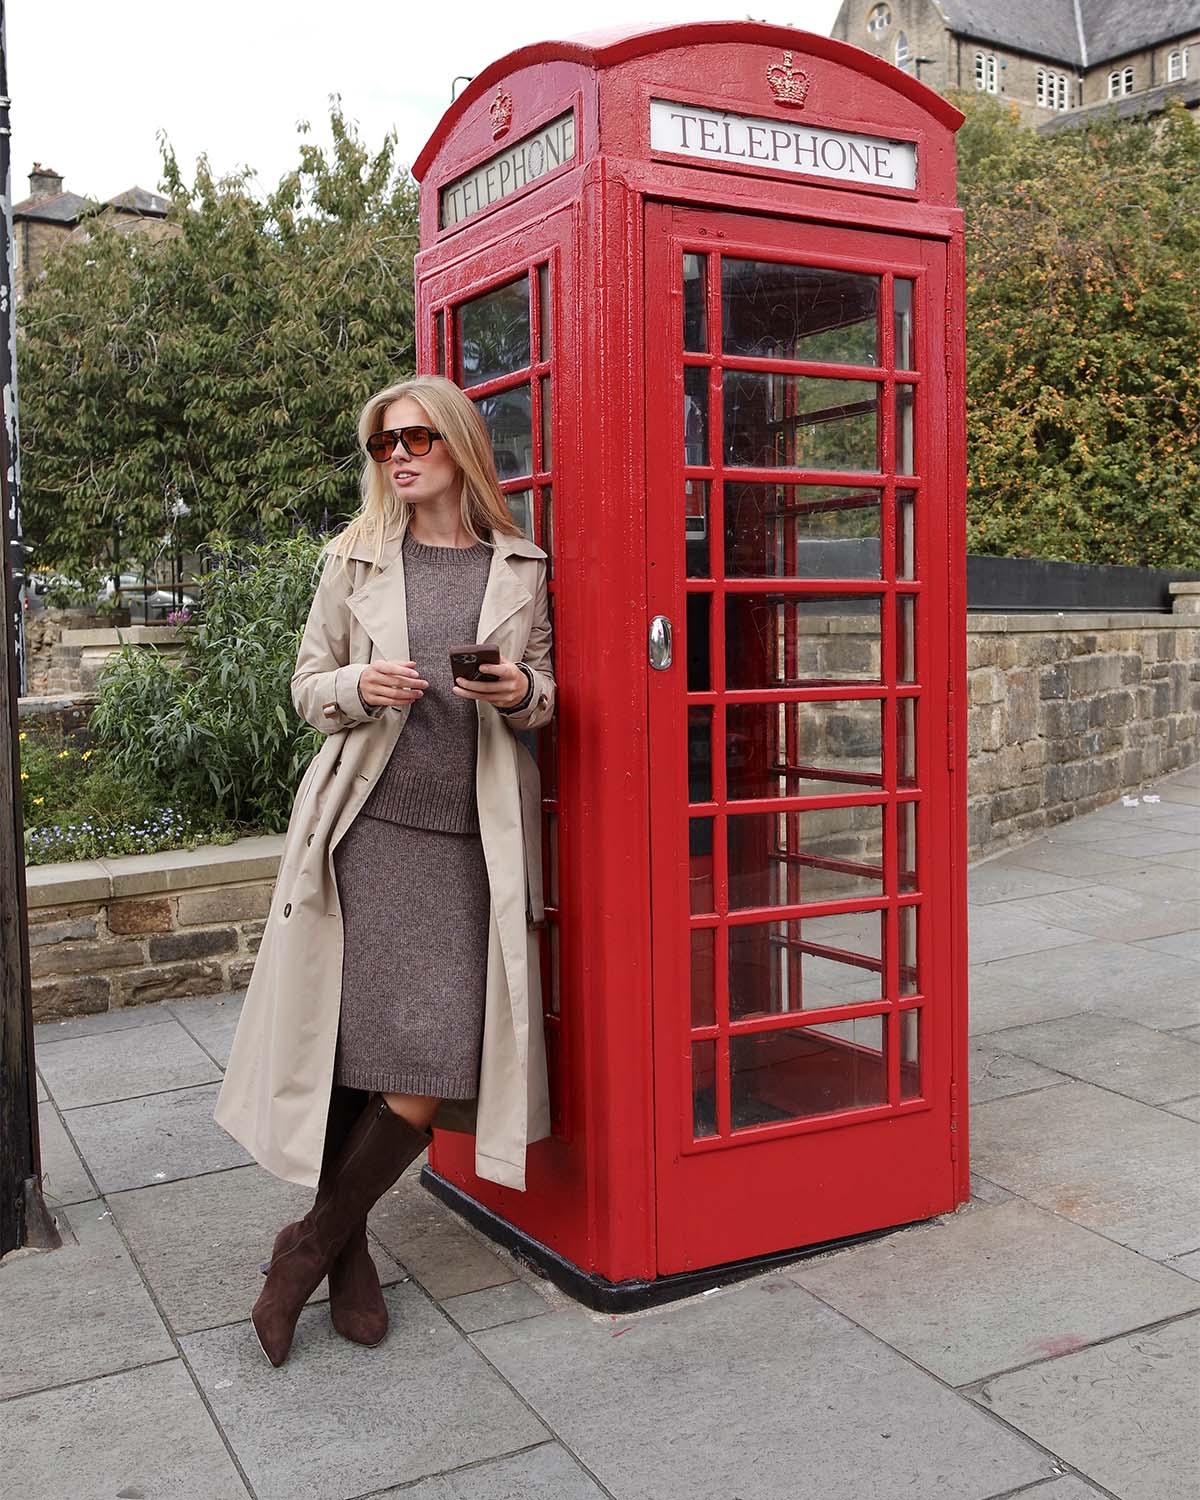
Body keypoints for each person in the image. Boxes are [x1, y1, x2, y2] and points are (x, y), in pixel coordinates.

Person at [213, 374, 556, 1367]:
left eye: (414, 439)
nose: (396, 456)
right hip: (368, 831)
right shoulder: (355, 556)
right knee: (350, 1052)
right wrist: (360, 685)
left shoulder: (520, 564)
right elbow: (306, 686)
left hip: (470, 842)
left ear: (458, 446)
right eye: (381, 444)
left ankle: (307, 1246)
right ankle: (348, 1256)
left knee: (429, 1067)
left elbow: (550, 695)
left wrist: (517, 688)